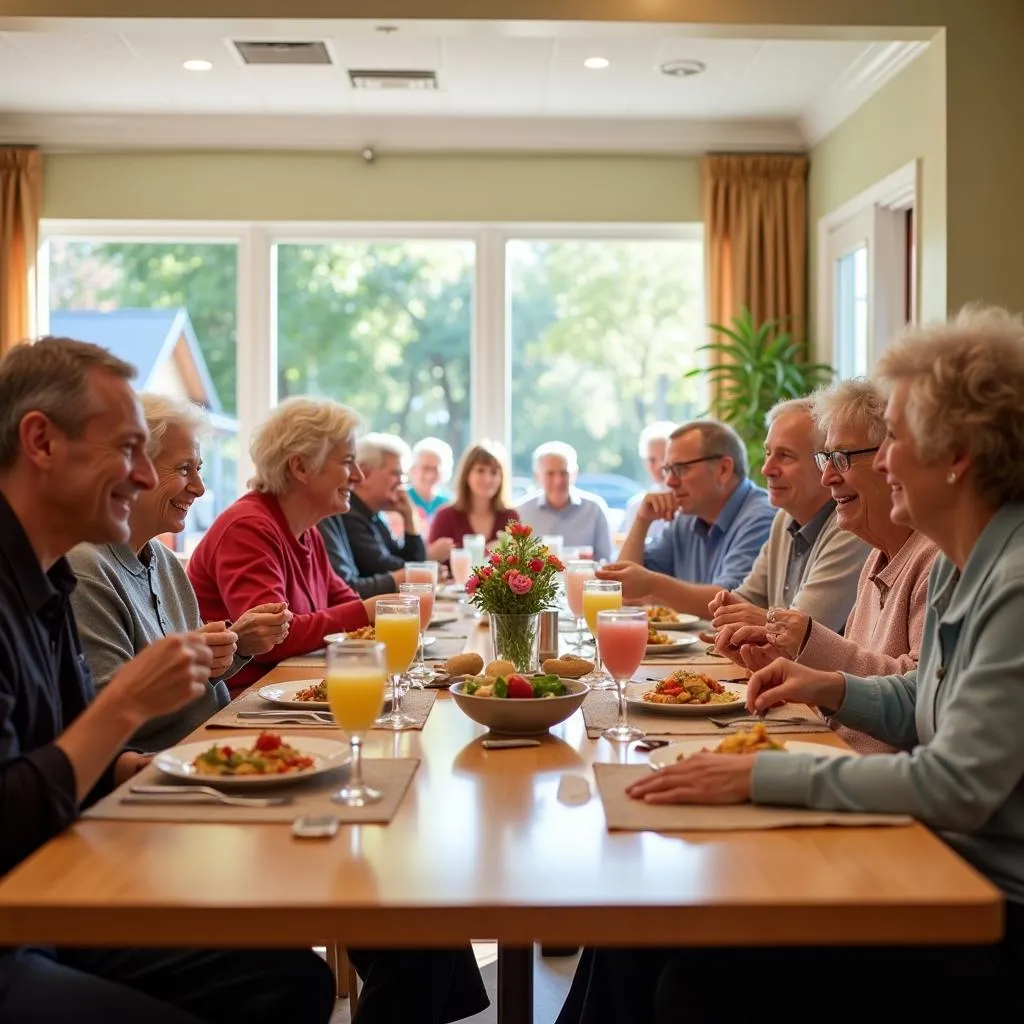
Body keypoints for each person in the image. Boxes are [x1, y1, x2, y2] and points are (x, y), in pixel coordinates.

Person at [561, 307, 1024, 1022]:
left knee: (692, 982)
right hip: (930, 861)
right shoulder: (971, 564)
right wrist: (832, 685)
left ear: (956, 453)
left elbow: (955, 783)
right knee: (637, 924)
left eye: (892, 439)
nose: (881, 461)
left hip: (981, 907)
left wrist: (758, 773)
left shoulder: (1012, 580)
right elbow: (923, 696)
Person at [0, 337, 335, 1024]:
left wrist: (191, 778)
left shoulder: (50, 579)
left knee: (292, 979)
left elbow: (67, 760)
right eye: (128, 450)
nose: (147, 478)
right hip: (21, 923)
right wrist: (124, 705)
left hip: (57, 887)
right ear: (40, 442)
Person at [713, 380, 937, 753]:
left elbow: (917, 698)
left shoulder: (933, 560)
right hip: (841, 755)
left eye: (842, 458)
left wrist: (806, 643)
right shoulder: (877, 555)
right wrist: (783, 664)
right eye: (825, 458)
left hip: (876, 785)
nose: (828, 476)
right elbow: (859, 692)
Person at [67, 394, 292, 751]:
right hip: (160, 769)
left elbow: (197, 682)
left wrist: (234, 646)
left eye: (199, 469)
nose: (200, 489)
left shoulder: (163, 558)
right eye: (184, 469)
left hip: (209, 744)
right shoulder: (84, 566)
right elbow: (107, 713)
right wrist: (198, 664)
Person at [601, 400, 868, 627]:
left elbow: (800, 633)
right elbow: (741, 601)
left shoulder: (843, 526)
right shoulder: (784, 520)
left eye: (785, 456)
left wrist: (652, 587)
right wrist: (642, 520)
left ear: (825, 464)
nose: (766, 469)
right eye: (767, 453)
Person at [187, 398, 375, 695]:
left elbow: (344, 603)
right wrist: (369, 611)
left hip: (285, 693)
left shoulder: (306, 529)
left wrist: (372, 613)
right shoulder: (248, 527)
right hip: (241, 707)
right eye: (347, 462)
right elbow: (273, 639)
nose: (358, 477)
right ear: (300, 466)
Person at [603, 420, 775, 612]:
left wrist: (653, 585)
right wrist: (642, 521)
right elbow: (624, 588)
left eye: (681, 469)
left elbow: (731, 603)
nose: (669, 481)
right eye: (668, 470)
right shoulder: (687, 517)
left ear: (723, 469)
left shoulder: (761, 517)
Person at [326, 433, 453, 581]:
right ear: (365, 474)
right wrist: (423, 572)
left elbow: (407, 563)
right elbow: (390, 568)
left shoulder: (373, 516)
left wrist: (409, 518)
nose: (401, 482)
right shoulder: (348, 514)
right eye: (396, 473)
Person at [516, 441, 612, 560]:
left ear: (574, 474)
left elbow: (605, 560)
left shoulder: (594, 509)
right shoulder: (522, 511)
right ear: (537, 476)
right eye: (550, 474)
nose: (558, 481)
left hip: (583, 577)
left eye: (564, 473)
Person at [429, 441, 519, 547]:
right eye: (480, 470)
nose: (487, 479)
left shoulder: (510, 518)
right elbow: (429, 560)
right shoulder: (445, 517)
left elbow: (522, 560)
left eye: (494, 472)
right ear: (467, 474)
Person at [619, 420, 676, 541]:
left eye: (665, 459)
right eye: (652, 460)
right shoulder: (638, 506)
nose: (660, 466)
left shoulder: (691, 503)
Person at [408, 436, 453, 524]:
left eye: (435, 469)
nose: (430, 475)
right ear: (413, 469)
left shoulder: (449, 503)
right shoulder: (401, 498)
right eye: (425, 468)